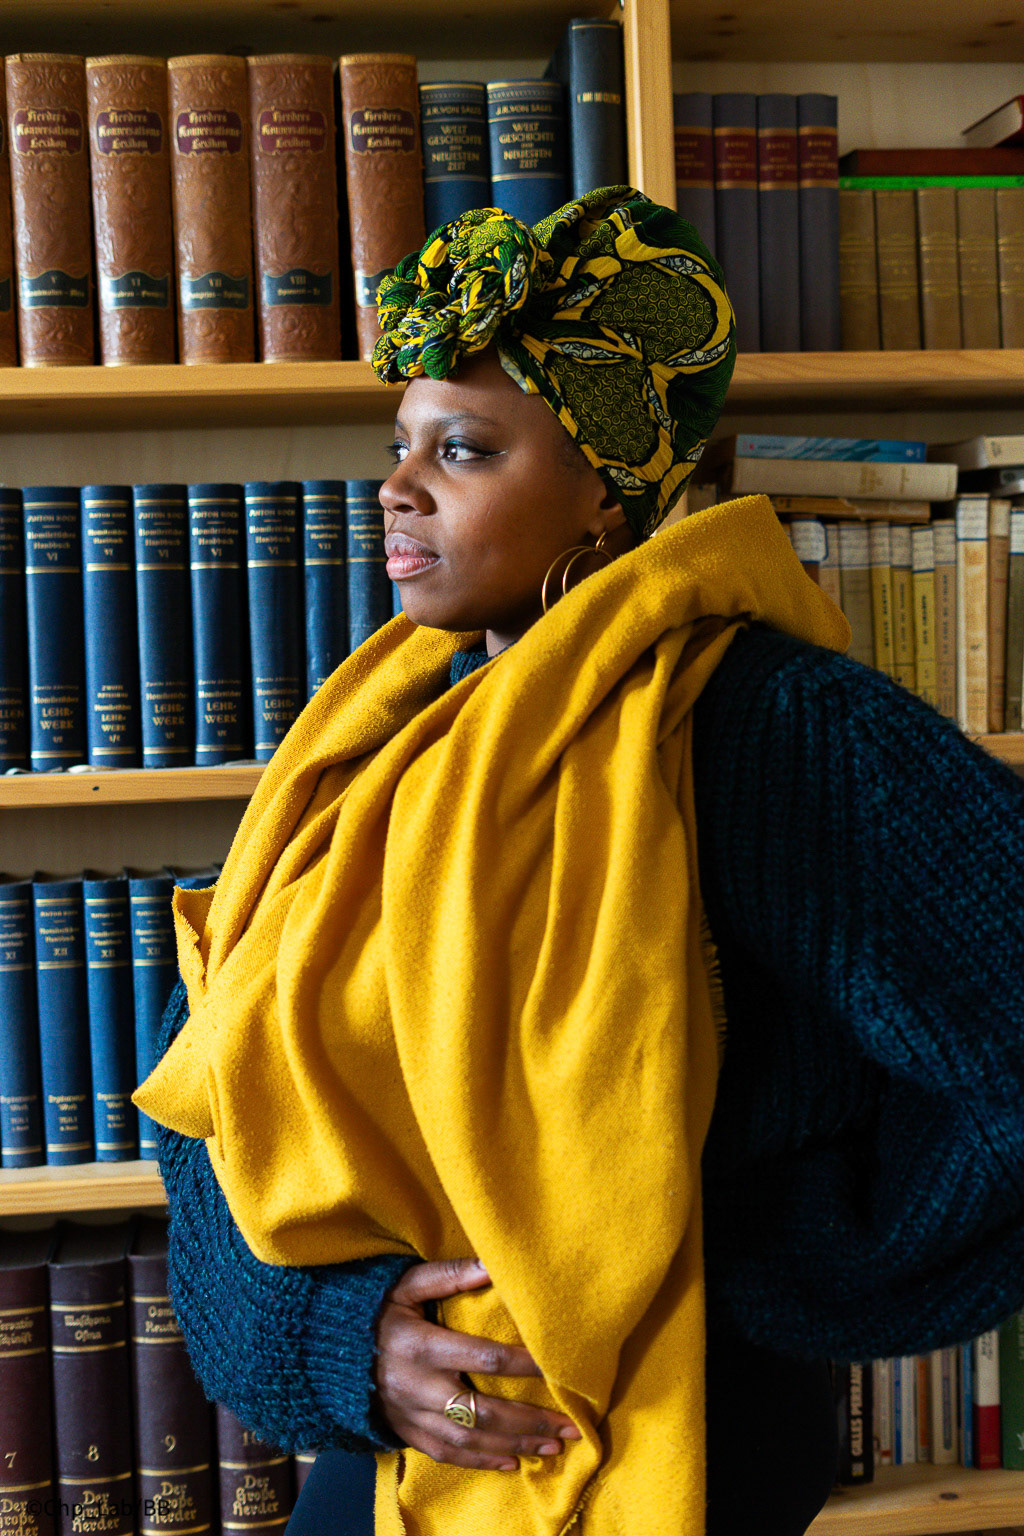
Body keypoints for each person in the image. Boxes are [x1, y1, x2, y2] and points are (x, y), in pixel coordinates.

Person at [134, 187, 1024, 1536]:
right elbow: (210, 1084)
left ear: (606, 487)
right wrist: (333, 1331)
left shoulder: (764, 724)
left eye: (465, 450)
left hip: (670, 1429)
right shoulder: (370, 737)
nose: (399, 486)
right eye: (400, 443)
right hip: (395, 1445)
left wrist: (787, 1263)